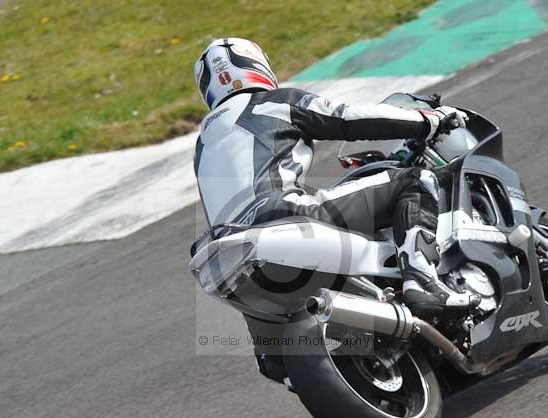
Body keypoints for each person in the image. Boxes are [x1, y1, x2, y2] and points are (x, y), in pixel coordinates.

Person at [193, 37, 479, 316]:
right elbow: (348, 118)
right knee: (415, 180)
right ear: (255, 65)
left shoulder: (203, 144)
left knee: (271, 347)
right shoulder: (272, 103)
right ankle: (423, 281)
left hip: (226, 245)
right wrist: (428, 120)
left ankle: (274, 358)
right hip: (283, 213)